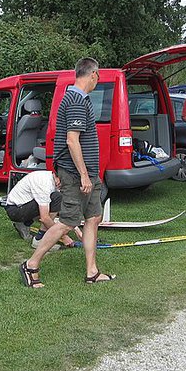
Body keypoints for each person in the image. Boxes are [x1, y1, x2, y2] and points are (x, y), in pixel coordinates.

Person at [19, 57, 116, 288]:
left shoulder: (81, 98)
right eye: (98, 76)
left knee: (93, 218)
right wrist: (83, 174)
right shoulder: (74, 100)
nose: (97, 80)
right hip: (76, 174)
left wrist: (90, 173)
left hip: (89, 172)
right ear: (93, 74)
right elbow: (72, 141)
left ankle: (92, 272)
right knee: (68, 222)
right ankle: (31, 265)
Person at [4, 170, 78, 249]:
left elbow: (65, 209)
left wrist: (76, 229)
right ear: (55, 176)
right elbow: (44, 218)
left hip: (20, 206)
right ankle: (39, 239)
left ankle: (24, 223)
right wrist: (63, 236)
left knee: (54, 201)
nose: (62, 185)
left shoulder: (52, 179)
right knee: (56, 198)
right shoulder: (44, 184)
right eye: (62, 181)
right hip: (15, 210)